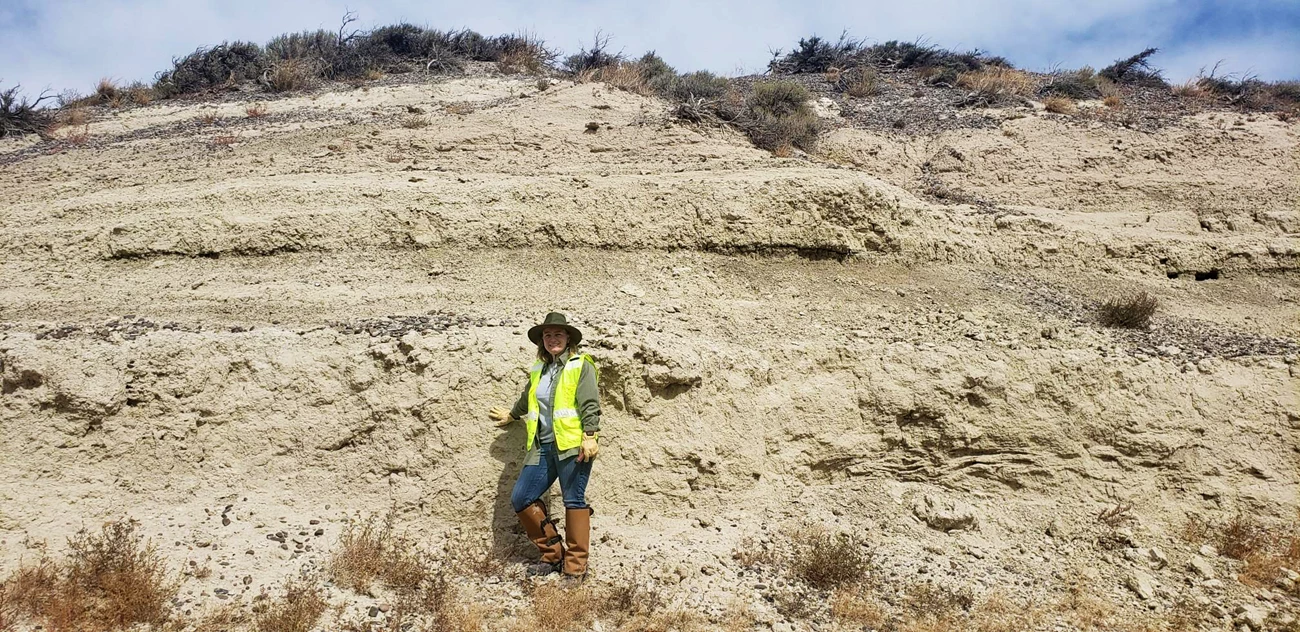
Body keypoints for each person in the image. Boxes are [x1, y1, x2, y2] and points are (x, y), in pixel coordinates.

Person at [489, 312, 601, 580]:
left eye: (558, 334)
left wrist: (590, 435)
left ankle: (576, 569)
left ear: (568, 339)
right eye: (548, 335)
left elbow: (589, 402)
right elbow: (528, 398)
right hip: (543, 445)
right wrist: (512, 415)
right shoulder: (539, 370)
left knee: (573, 500)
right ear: (542, 341)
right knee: (522, 497)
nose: (553, 339)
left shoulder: (580, 365)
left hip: (573, 446)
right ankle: (553, 556)